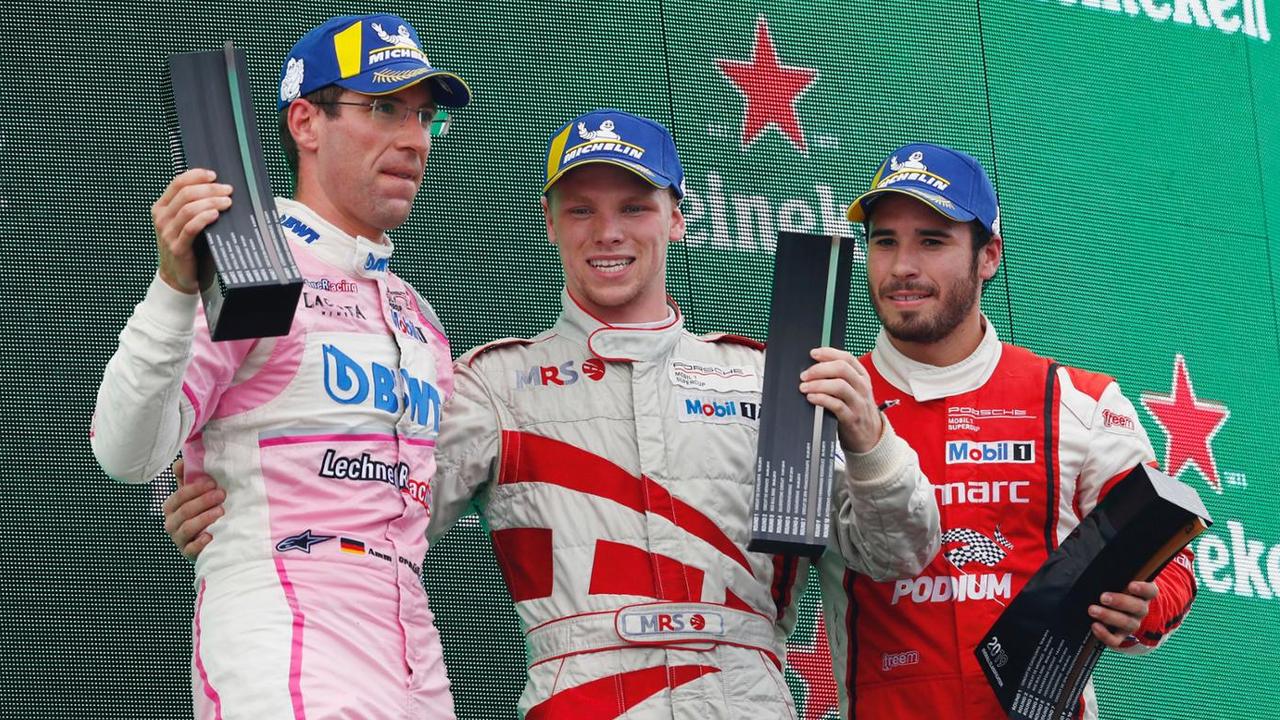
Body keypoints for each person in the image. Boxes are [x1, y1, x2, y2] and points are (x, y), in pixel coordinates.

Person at [166, 109, 942, 718]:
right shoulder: (491, 385)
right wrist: (250, 508)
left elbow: (898, 553)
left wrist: (872, 445)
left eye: (634, 207)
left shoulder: (768, 375)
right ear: (548, 222)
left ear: (677, 217)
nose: (607, 232)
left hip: (745, 691)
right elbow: (377, 514)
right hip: (581, 694)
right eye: (580, 210)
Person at [90, 13, 471, 719]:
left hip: (411, 642)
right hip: (285, 621)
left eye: (425, 119)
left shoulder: (420, 316)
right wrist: (175, 285)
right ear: (305, 121)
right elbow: (125, 450)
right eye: (385, 108)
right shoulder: (253, 268)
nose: (414, 139)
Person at [817, 142, 1198, 719]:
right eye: (884, 240)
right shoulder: (826, 400)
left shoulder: (1077, 400)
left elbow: (1169, 557)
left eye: (932, 240)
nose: (902, 267)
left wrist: (1144, 607)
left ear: (988, 255)